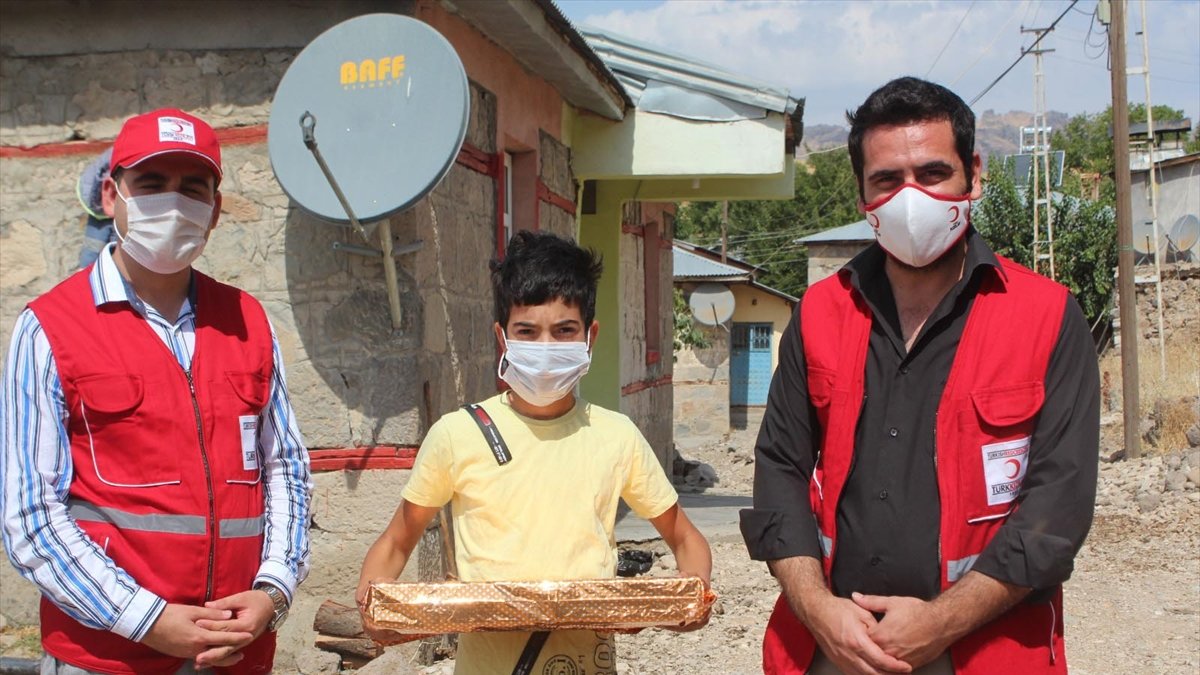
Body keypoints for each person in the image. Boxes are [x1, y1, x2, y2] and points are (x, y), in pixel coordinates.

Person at [739, 77, 1099, 675]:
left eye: (932, 173)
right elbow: (780, 466)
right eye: (887, 179)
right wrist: (819, 611)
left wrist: (939, 624)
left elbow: (1056, 511)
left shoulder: (1047, 317)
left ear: (973, 175)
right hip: (831, 649)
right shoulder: (820, 312)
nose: (911, 197)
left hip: (984, 653)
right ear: (861, 192)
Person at [1, 108, 312, 675]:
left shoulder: (248, 321)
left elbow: (285, 469)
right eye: (151, 183)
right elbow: (31, 517)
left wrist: (273, 590)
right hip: (107, 658)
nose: (173, 203)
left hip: (236, 654)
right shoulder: (49, 327)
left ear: (214, 210)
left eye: (192, 188)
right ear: (111, 195)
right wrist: (145, 620)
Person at [357, 230, 713, 675]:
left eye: (564, 331)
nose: (546, 347)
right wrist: (374, 605)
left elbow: (685, 538)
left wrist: (691, 596)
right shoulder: (457, 435)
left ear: (590, 336)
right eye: (527, 332)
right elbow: (396, 541)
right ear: (502, 337)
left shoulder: (616, 435)